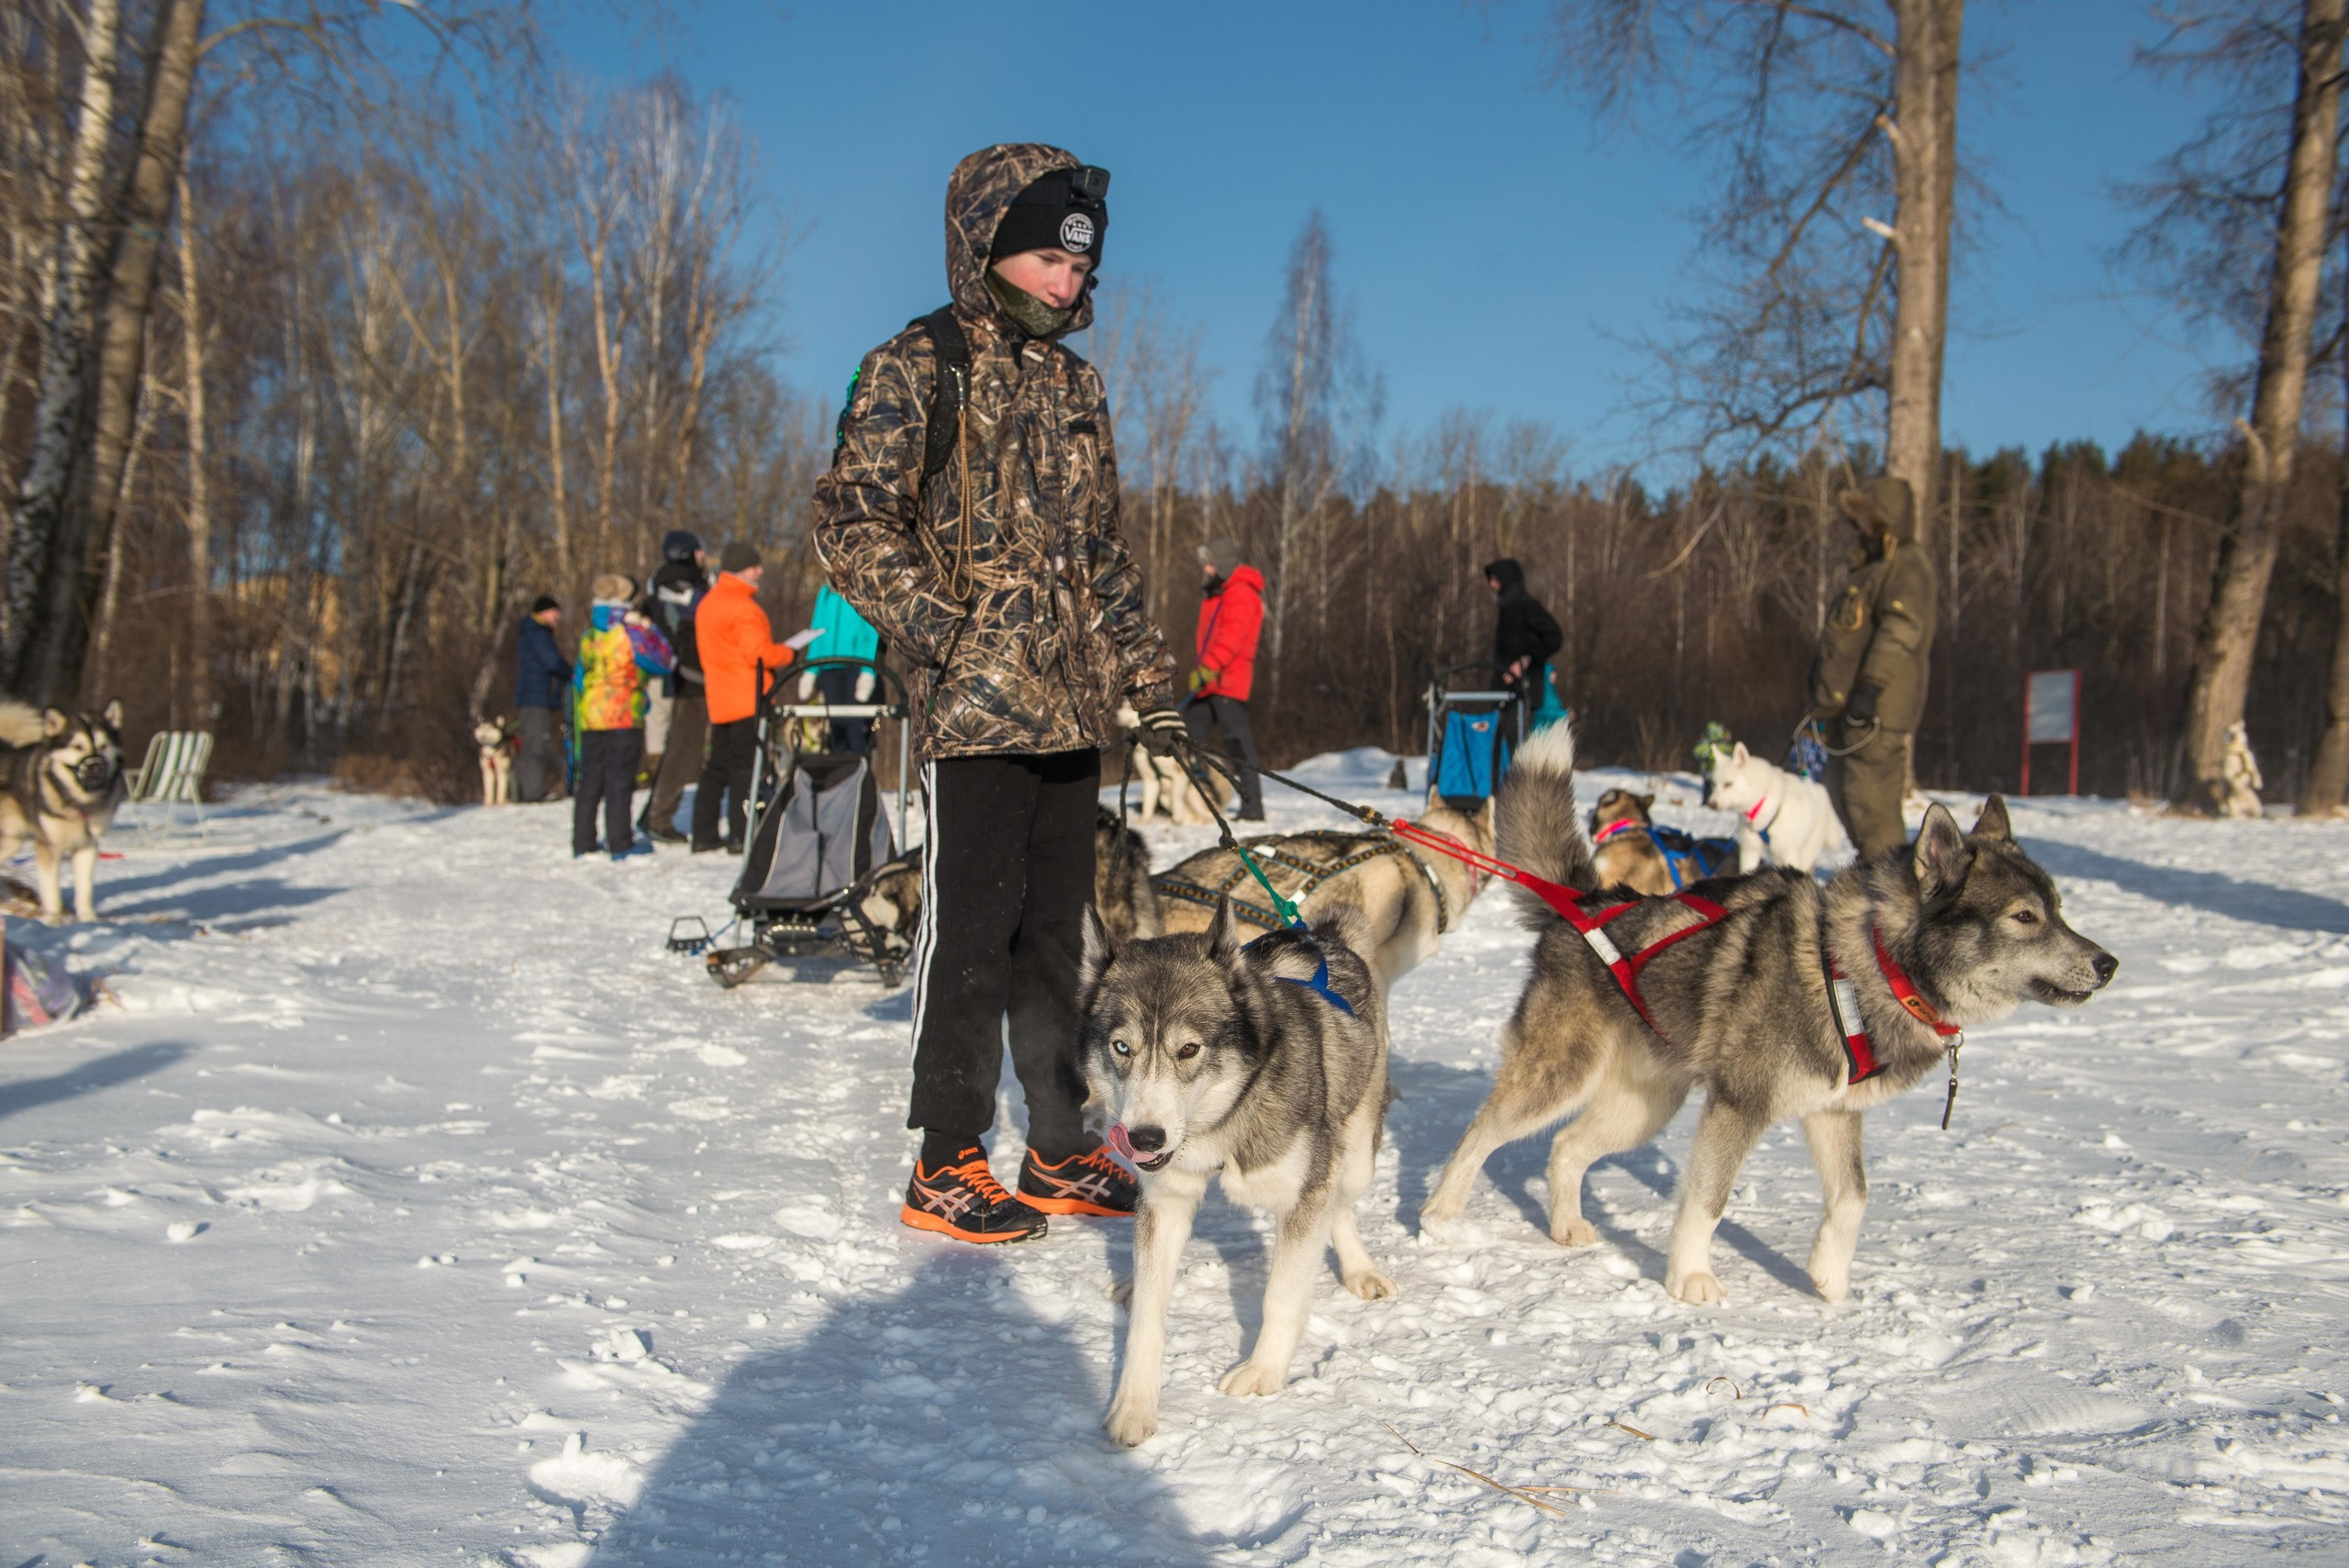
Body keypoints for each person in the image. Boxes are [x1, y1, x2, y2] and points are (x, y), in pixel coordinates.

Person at [813, 143, 1182, 1246]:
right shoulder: (913, 366)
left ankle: (1062, 1147)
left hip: (1071, 713)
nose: (1067, 284)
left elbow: (1104, 556)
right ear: (985, 248)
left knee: (1058, 939)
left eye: (1079, 265)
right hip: (972, 712)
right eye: (1043, 260)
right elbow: (850, 524)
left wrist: (1153, 689)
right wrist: (946, 628)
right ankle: (947, 1155)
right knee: (968, 934)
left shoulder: (1078, 386)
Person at [1808, 475, 1937, 858]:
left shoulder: (1906, 565)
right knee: (1843, 795)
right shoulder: (1871, 566)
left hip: (1876, 710)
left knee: (1872, 808)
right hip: (1843, 709)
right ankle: (1874, 882)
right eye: (1858, 518)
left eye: (1869, 518)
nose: (1861, 526)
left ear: (1887, 519)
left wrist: (1870, 687)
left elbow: (1901, 629)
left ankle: (1890, 899)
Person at [692, 541, 796, 855]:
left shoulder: (708, 603)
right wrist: (789, 653)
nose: (760, 571)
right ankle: (741, 833)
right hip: (748, 698)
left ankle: (703, 833)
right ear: (741, 569)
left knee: (716, 767)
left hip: (720, 697)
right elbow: (759, 654)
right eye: (754, 566)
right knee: (746, 768)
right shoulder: (744, 607)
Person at [572, 573, 674, 861]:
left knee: (590, 778)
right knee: (619, 779)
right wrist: (650, 629)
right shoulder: (632, 634)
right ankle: (619, 841)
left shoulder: (589, 636)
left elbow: (579, 678)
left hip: (591, 715)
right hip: (624, 714)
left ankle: (583, 841)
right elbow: (664, 661)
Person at [1181, 537, 1265, 819]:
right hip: (1209, 682)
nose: (1206, 570)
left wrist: (1209, 667)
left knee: (1238, 744)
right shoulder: (1219, 593)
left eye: (1211, 565)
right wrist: (1202, 670)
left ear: (1225, 566)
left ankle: (1253, 808)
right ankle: (1192, 799)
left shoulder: (1240, 593)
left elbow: (1232, 639)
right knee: (1189, 737)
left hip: (1228, 681)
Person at [641, 531, 710, 842]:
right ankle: (659, 818)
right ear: (688, 553)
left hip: (682, 674)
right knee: (684, 749)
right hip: (690, 676)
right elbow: (704, 614)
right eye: (699, 552)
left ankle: (653, 813)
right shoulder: (680, 583)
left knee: (680, 746)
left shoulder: (662, 581)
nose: (703, 557)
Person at [803, 582, 882, 755]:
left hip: (855, 667)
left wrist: (868, 672)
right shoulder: (825, 593)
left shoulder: (861, 590)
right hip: (828, 668)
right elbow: (816, 631)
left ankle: (859, 768)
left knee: (855, 725)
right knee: (834, 725)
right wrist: (811, 670)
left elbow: (871, 633)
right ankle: (839, 771)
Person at [1484, 558, 1562, 725]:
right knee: (1499, 740)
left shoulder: (1528, 607)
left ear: (1507, 580)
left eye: (1495, 580)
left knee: (1517, 743)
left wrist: (1526, 661)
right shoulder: (1506, 610)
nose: (1491, 584)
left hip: (1525, 691)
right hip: (1505, 691)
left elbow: (1554, 637)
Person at [513, 595, 572, 803]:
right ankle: (533, 793)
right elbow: (551, 661)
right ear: (544, 612)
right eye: (555, 611)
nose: (559, 616)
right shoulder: (538, 633)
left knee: (531, 745)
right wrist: (571, 672)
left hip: (532, 697)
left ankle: (521, 791)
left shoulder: (532, 632)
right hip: (536, 698)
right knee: (536, 745)